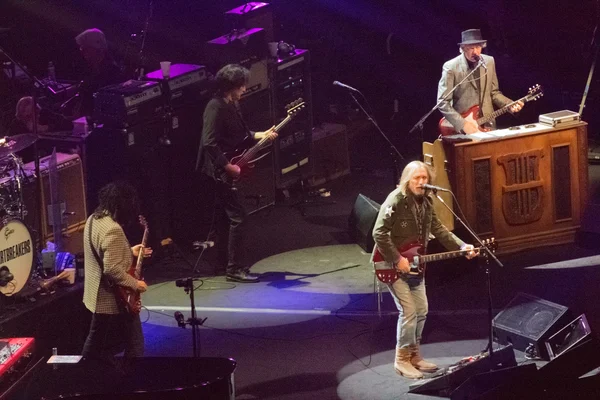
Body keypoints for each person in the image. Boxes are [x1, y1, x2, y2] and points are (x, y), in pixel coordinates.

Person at [372, 161, 477, 379]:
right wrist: (397, 258)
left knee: (422, 310)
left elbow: (438, 229)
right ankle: (401, 360)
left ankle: (414, 355)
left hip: (415, 263)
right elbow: (378, 233)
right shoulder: (396, 200)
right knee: (409, 312)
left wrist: (461, 246)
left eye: (424, 178)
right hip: (391, 263)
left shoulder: (427, 202)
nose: (421, 182)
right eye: (416, 178)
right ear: (406, 180)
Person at [195, 64, 278, 283]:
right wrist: (227, 166)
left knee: (225, 218)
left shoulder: (231, 105)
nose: (244, 90)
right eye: (241, 86)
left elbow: (240, 135)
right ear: (231, 86)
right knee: (238, 217)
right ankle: (235, 268)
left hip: (223, 168)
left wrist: (262, 134)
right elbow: (209, 143)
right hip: (217, 171)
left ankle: (223, 264)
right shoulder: (215, 107)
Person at [82, 181, 151, 363]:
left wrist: (130, 251)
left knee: (96, 337)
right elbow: (111, 269)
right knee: (135, 343)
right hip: (113, 296)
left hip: (95, 293)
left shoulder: (93, 220)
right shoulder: (113, 229)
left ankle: (82, 371)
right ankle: (131, 380)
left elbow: (103, 251)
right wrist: (136, 284)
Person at [437, 29, 523, 134]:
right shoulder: (451, 67)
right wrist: (462, 124)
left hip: (488, 124)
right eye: (471, 48)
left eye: (478, 47)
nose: (475, 52)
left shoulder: (489, 61)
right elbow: (442, 103)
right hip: (464, 129)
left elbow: (494, 93)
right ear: (463, 48)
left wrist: (510, 104)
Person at [63, 28, 123, 118]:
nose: (82, 51)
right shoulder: (89, 68)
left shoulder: (112, 72)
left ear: (97, 48)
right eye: (81, 48)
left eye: (85, 47)